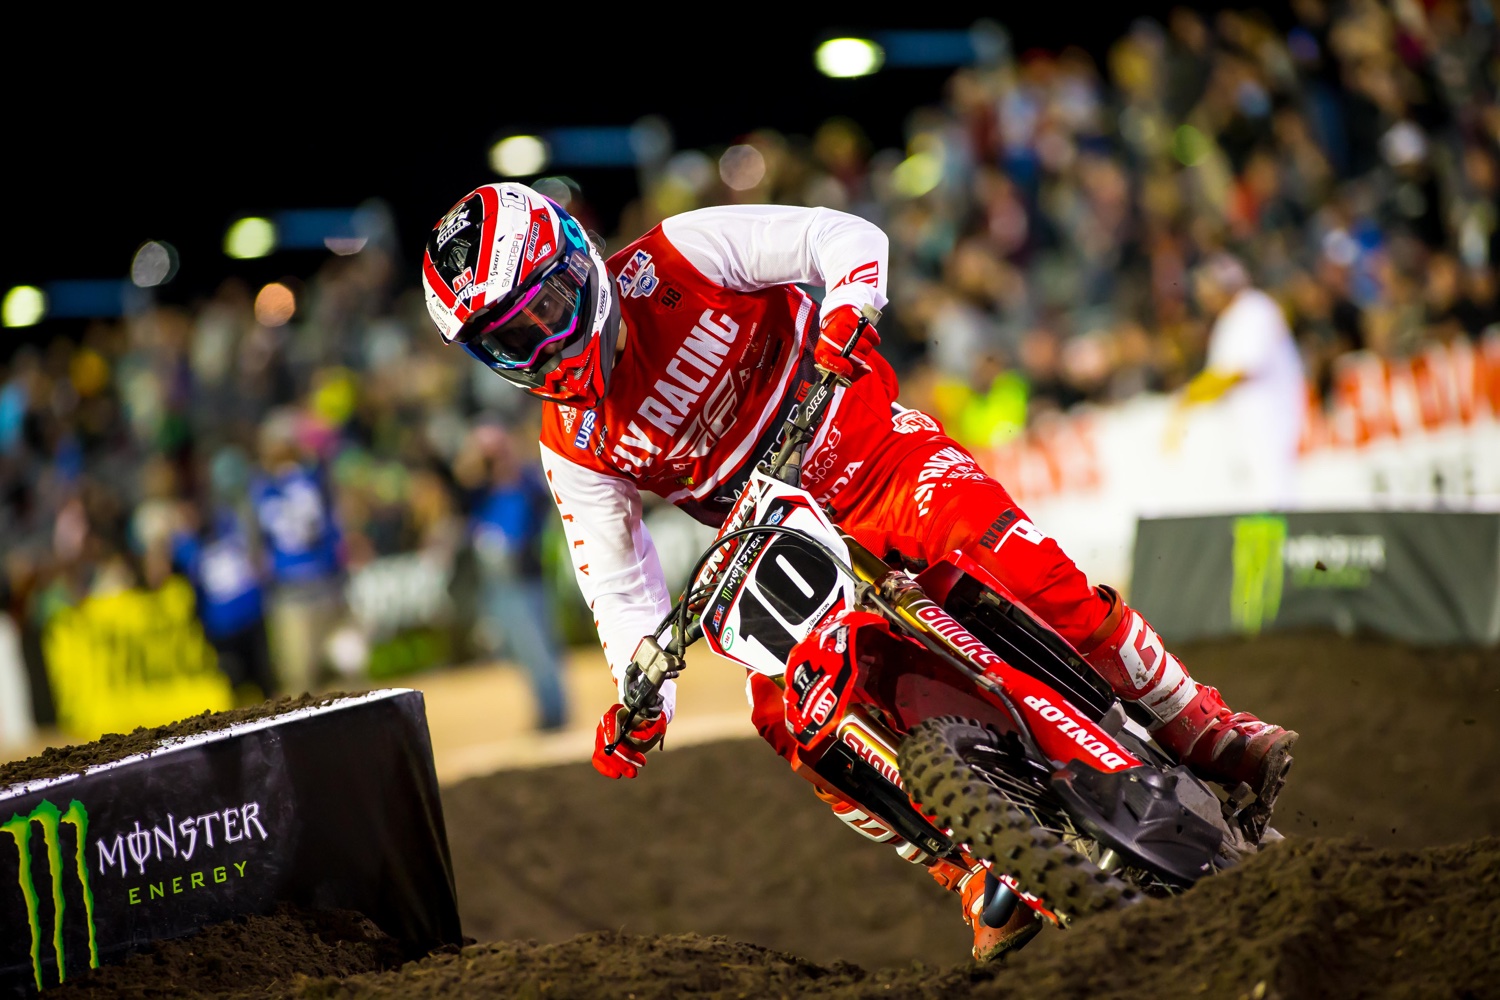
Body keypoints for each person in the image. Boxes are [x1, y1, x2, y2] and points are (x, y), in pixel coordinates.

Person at [421, 183, 1297, 960]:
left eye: (547, 309)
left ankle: (1197, 722)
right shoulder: (571, 443)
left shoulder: (679, 254)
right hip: (776, 541)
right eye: (511, 342)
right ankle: (967, 868)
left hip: (873, 456)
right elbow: (619, 582)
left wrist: (848, 307)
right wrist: (642, 695)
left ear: (580, 259)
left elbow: (838, 237)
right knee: (787, 715)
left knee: (1025, 566)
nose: (544, 345)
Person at [455, 422, 569, 730]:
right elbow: (459, 484)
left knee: (538, 647)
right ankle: (546, 710)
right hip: (495, 581)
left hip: (525, 576)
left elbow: (539, 503)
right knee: (517, 651)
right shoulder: (481, 490)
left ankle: (555, 714)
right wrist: (477, 464)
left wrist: (508, 465)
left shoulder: (525, 481)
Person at [1178, 254, 1307, 508]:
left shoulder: (1254, 310)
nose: (1204, 297)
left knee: (1271, 485)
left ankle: (1277, 533)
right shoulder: (1230, 317)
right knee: (1251, 488)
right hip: (1247, 419)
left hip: (1269, 413)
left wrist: (1196, 392)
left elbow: (1242, 368)